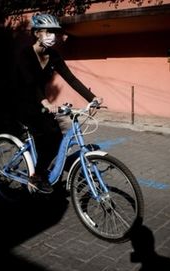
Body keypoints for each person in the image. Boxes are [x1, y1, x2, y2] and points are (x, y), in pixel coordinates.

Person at [11, 13, 102, 194]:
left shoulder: (53, 56)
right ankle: (36, 176)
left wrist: (92, 98)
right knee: (47, 135)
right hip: (21, 102)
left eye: (55, 33)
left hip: (39, 103)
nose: (52, 37)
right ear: (37, 33)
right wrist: (45, 102)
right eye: (48, 32)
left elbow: (71, 79)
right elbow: (30, 83)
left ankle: (42, 169)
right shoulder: (25, 55)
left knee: (57, 137)